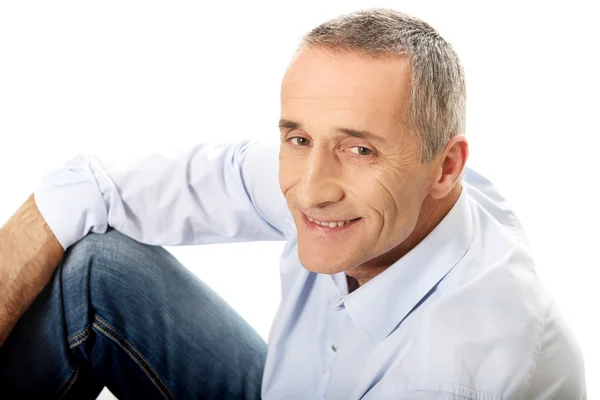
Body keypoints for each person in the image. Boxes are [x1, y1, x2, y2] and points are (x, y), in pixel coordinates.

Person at [0, 8, 586, 400]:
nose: (310, 189)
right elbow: (91, 186)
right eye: (299, 138)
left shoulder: (480, 360)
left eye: (359, 149)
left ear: (446, 168)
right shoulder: (350, 183)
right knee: (100, 268)